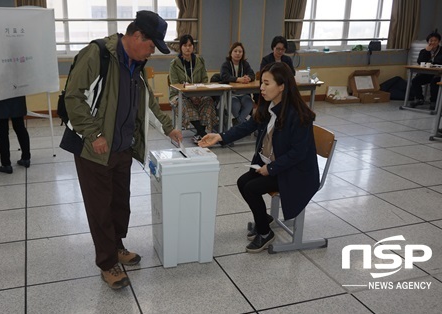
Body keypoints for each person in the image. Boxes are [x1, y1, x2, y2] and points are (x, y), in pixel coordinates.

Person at [64, 11, 182, 290]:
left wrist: (168, 128)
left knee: (119, 203)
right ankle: (107, 263)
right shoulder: (97, 55)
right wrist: (94, 134)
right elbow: (73, 97)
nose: (151, 52)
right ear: (137, 36)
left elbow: (148, 102)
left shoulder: (136, 64)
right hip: (94, 149)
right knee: (100, 208)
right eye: (151, 46)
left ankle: (116, 246)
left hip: (123, 147)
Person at [198, 62, 319, 253]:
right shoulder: (269, 106)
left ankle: (265, 233)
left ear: (282, 86)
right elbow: (247, 126)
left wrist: (270, 169)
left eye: (267, 83)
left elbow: (298, 153)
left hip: (295, 172)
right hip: (277, 165)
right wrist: (220, 137)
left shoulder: (298, 115)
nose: (261, 87)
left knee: (252, 188)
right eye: (261, 82)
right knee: (242, 182)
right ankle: (264, 219)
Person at [169, 34, 218, 143]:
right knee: (185, 104)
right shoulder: (175, 63)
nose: (187, 48)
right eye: (185, 45)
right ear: (181, 47)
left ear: (193, 47)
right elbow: (175, 84)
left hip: (199, 94)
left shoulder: (200, 61)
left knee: (208, 101)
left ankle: (199, 134)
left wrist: (198, 94)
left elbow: (205, 80)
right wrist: (190, 95)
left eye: (190, 45)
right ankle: (203, 133)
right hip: (179, 95)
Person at [0, 96, 31, 174]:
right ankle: (26, 158)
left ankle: (6, 164)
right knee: (20, 127)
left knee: (2, 132)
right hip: (15, 94)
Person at [220, 42, 256, 125]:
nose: (238, 53)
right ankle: (243, 123)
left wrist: (248, 78)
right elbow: (224, 76)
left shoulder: (245, 64)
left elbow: (252, 74)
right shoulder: (226, 64)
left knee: (249, 104)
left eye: (240, 51)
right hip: (232, 94)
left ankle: (238, 122)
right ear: (231, 53)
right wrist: (238, 79)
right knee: (235, 106)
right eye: (235, 51)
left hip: (244, 94)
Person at [410, 30, 442, 110]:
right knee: (415, 80)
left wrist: (434, 64)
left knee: (434, 83)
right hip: (428, 73)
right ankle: (419, 98)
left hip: (439, 74)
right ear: (428, 42)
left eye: (435, 41)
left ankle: (433, 101)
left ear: (439, 42)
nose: (433, 42)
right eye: (431, 40)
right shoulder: (424, 51)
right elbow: (420, 62)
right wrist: (427, 52)